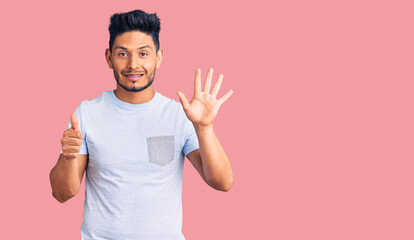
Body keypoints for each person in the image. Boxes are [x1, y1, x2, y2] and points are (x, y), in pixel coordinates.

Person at [49, 9, 234, 240]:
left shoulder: (180, 115)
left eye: (143, 54)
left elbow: (223, 182)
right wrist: (67, 158)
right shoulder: (87, 114)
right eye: (123, 54)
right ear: (109, 58)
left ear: (159, 57)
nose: (133, 65)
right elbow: (62, 193)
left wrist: (204, 128)